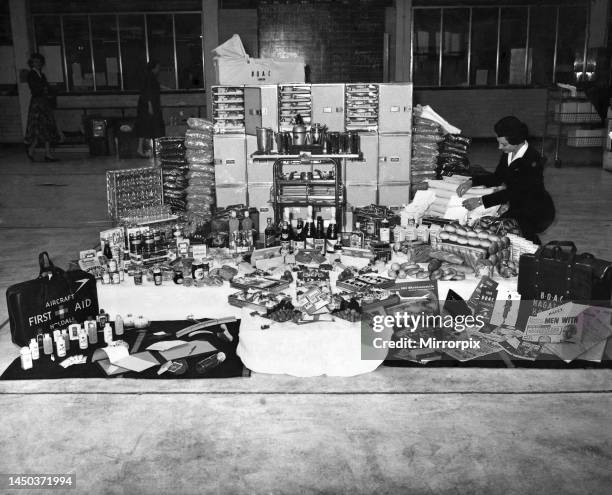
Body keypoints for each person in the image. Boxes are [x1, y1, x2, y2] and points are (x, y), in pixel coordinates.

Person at [457, 116, 555, 244]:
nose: (499, 147)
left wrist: (481, 201)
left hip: (536, 209)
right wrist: (472, 181)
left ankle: (534, 254)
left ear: (517, 141)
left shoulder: (532, 159)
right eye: (499, 142)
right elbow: (498, 177)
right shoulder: (509, 152)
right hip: (518, 203)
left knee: (510, 231)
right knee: (502, 230)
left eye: (503, 144)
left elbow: (516, 192)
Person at [24, 53, 62, 162]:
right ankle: (32, 149)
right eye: (36, 61)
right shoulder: (31, 74)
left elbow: (46, 87)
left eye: (40, 61)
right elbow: (36, 89)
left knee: (47, 127)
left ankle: (47, 153)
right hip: (37, 103)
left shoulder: (42, 75)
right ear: (32, 63)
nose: (38, 63)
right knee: (37, 127)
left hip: (44, 102)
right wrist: (45, 88)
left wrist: (53, 89)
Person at [134, 61, 165, 158]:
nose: (158, 70)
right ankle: (150, 149)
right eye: (158, 67)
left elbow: (155, 87)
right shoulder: (149, 77)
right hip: (148, 106)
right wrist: (150, 106)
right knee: (148, 127)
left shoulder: (149, 76)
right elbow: (148, 93)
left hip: (145, 106)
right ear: (154, 67)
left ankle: (143, 149)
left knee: (145, 127)